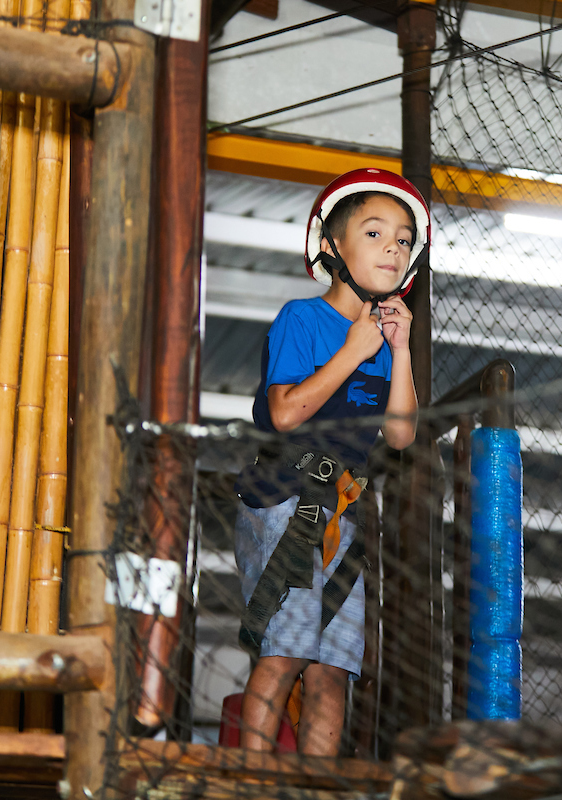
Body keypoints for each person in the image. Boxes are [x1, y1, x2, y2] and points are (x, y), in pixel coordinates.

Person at [233, 168, 429, 755]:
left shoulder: (384, 337)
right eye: (374, 233)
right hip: (285, 503)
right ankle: (250, 787)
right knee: (286, 652)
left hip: (341, 516)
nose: (392, 248)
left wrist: (398, 351)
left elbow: (399, 435)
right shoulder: (305, 319)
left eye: (402, 239)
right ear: (332, 246)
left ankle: (318, 788)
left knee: (333, 671)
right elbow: (286, 412)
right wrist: (353, 351)